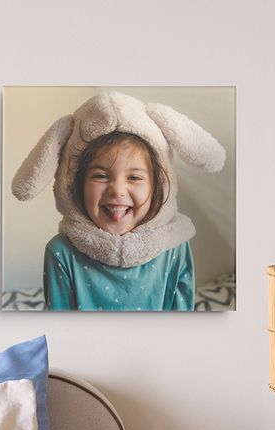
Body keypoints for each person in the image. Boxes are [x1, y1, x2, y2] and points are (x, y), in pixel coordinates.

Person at [12, 91, 226, 311]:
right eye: (101, 176)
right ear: (75, 185)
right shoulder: (61, 252)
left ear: (158, 187)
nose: (117, 191)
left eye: (134, 177)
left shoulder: (176, 247)